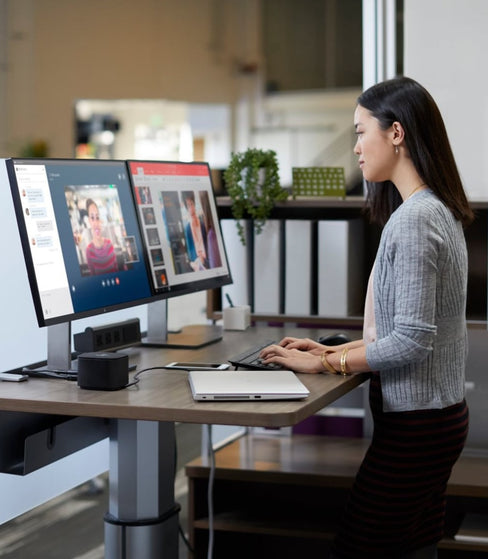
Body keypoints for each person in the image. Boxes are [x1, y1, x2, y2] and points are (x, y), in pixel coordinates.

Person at [260, 76, 473, 559]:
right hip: (436, 419)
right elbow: (407, 333)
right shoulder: (436, 209)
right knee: (414, 547)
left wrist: (324, 364)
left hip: (418, 427)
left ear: (396, 133)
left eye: (360, 132)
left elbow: (412, 342)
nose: (355, 147)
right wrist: (330, 350)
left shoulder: (416, 220)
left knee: (359, 548)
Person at [84, 198, 117, 275]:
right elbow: (93, 277)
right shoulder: (89, 251)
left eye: (97, 217)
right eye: (92, 218)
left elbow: (117, 270)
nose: (96, 223)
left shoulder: (109, 244)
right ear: (89, 221)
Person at [183, 192, 208, 270]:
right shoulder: (187, 228)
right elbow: (190, 254)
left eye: (192, 204)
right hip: (197, 262)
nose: (191, 208)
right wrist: (198, 259)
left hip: (207, 259)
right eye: (188, 206)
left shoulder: (202, 224)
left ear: (194, 205)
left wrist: (203, 257)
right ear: (186, 208)